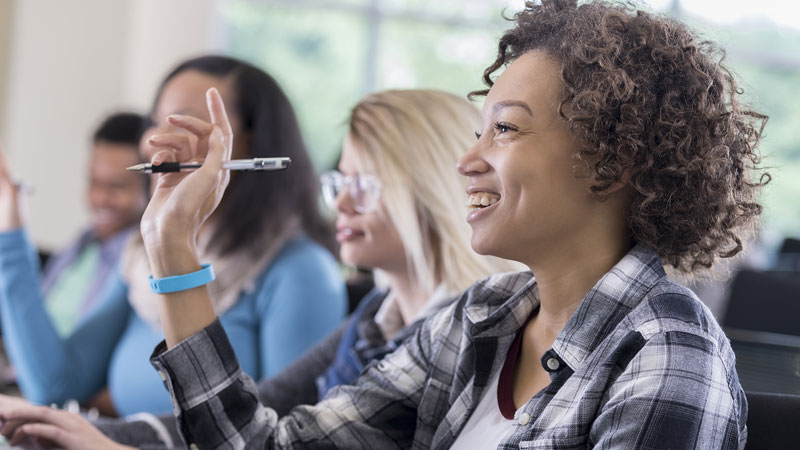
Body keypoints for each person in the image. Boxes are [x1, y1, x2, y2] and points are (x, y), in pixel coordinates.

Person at [2, 0, 768, 448]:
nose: (467, 161)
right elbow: (264, 444)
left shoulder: (669, 359)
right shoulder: (478, 322)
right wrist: (172, 240)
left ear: (612, 161)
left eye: (505, 129)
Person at [0, 89, 521, 449]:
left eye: (362, 184)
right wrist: (84, 433)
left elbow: (251, 438)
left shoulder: (455, 333)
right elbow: (259, 412)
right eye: (337, 184)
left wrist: (173, 241)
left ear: (426, 188)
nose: (339, 206)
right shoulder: (372, 317)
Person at [0, 55, 346, 417]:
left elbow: (280, 436)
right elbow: (54, 385)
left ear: (246, 144)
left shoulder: (303, 272)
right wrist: (9, 229)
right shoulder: (142, 257)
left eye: (183, 123)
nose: (153, 143)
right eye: (154, 123)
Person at [28, 112, 149, 338]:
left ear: (151, 188)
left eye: (116, 187)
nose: (99, 198)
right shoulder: (82, 243)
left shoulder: (139, 265)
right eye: (94, 182)